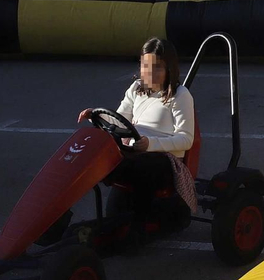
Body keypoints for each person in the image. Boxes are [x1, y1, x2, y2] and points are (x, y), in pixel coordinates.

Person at [77, 38, 197, 221]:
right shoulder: (136, 89)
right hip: (133, 153)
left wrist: (151, 143)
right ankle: (54, 220)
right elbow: (119, 119)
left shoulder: (180, 95)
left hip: (165, 160)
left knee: (134, 166)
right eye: (145, 66)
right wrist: (95, 114)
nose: (149, 73)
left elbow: (186, 139)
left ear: (169, 69)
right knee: (85, 156)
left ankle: (136, 222)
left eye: (157, 67)